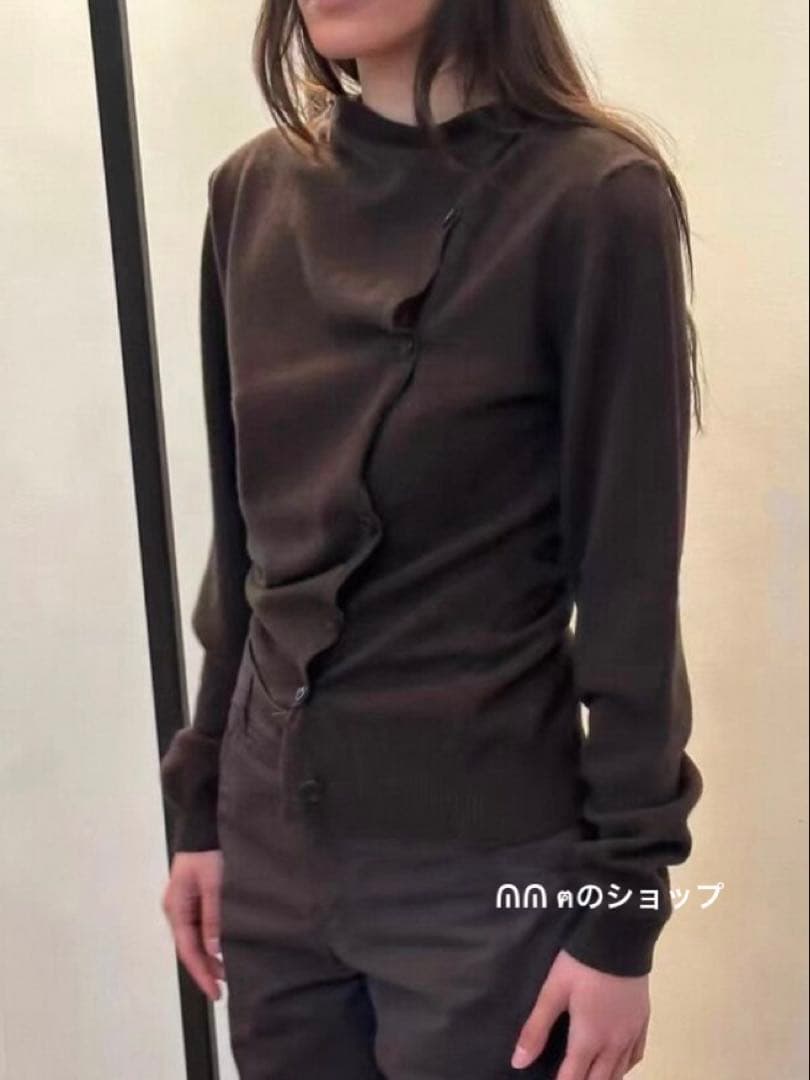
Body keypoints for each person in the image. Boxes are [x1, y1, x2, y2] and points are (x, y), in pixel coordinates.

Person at [160, 1, 705, 1077]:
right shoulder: (250, 194)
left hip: (484, 869)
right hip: (270, 854)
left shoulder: (595, 200)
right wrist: (202, 809)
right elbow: (246, 550)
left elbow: (630, 589)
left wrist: (621, 914)